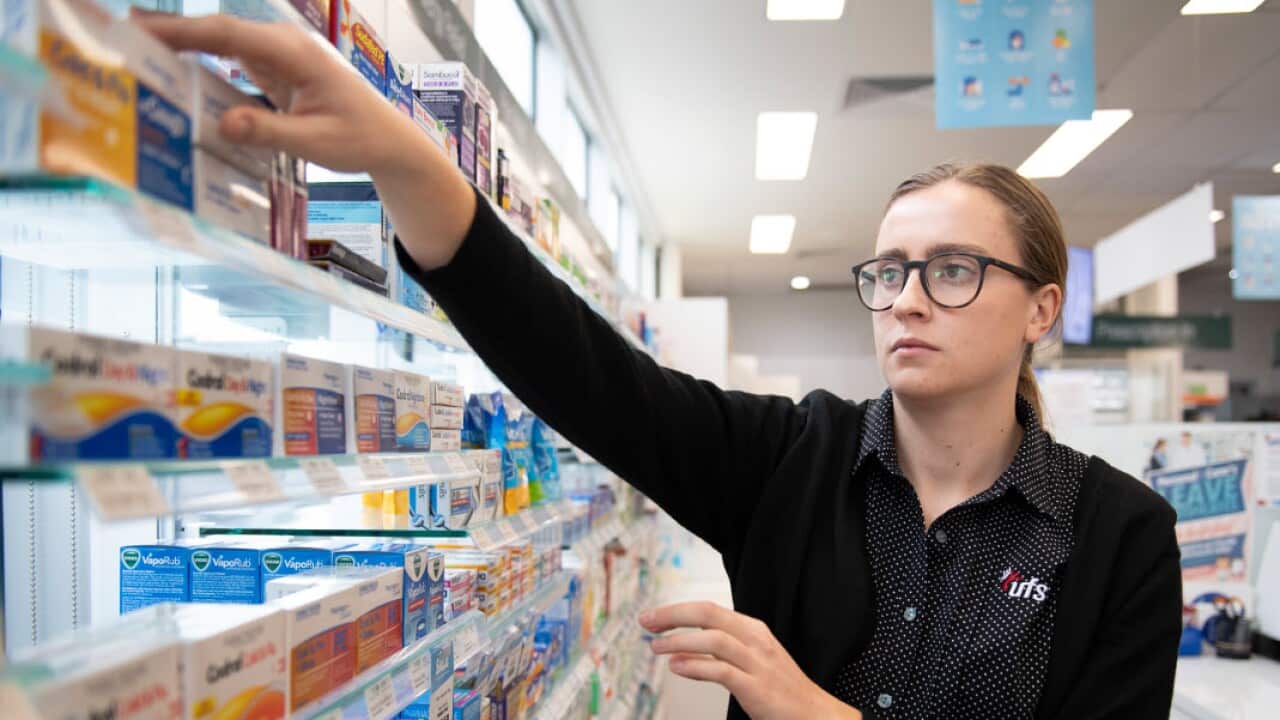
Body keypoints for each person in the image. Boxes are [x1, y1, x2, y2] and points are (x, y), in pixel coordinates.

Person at [135, 13, 1183, 719]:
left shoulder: (1118, 536)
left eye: (952, 270)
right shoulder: (788, 461)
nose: (906, 297)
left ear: (1040, 307)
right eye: (889, 270)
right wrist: (405, 156)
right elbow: (581, 369)